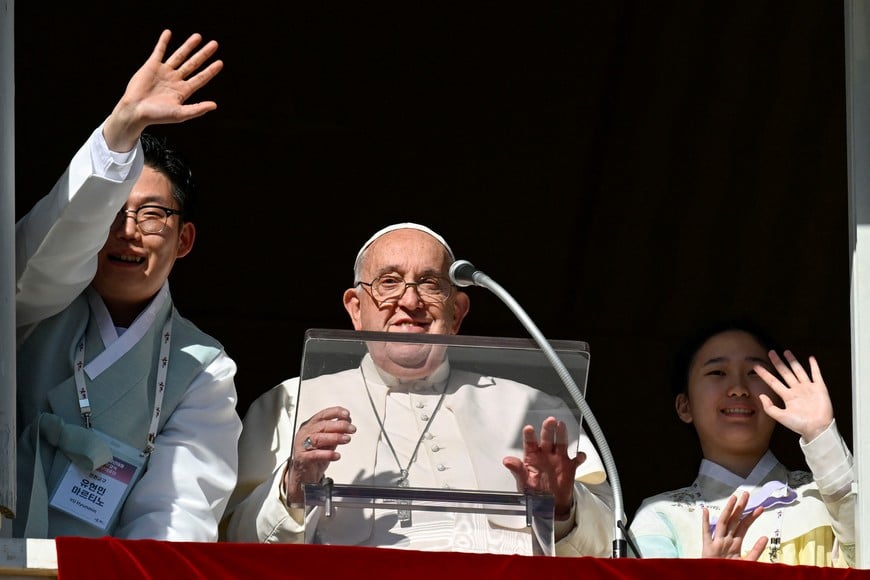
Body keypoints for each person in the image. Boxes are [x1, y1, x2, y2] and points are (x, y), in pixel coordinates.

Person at [222, 223, 615, 556]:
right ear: (356, 309)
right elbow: (228, 543)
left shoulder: (533, 409)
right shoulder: (291, 403)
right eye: (388, 282)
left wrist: (564, 507)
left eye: (429, 284)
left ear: (457, 311)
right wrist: (292, 489)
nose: (409, 301)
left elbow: (613, 546)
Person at [13, 29, 242, 540]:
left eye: (152, 214)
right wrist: (121, 130)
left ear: (184, 240)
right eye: (113, 213)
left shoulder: (202, 367)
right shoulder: (31, 307)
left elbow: (176, 513)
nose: (128, 230)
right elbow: (47, 253)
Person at [627, 320, 855, 566]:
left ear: (779, 396)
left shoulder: (826, 497)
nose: (738, 389)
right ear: (685, 406)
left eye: (754, 373)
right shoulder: (660, 516)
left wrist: (821, 434)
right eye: (717, 373)